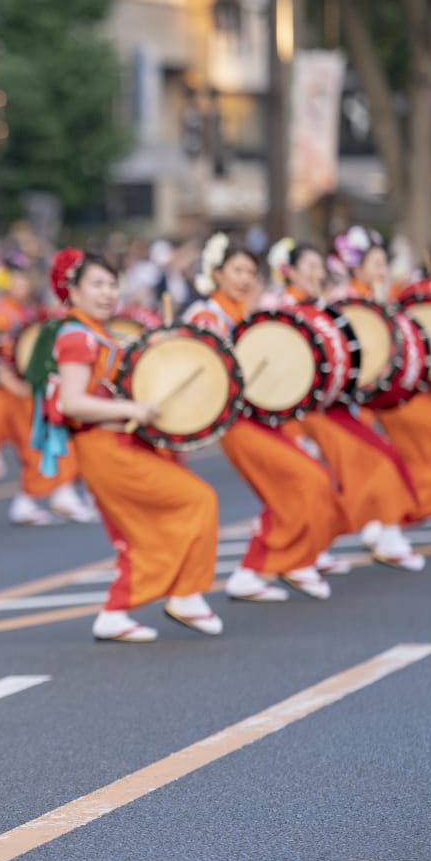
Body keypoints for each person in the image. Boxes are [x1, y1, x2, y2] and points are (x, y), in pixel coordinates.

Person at [31, 248, 221, 642]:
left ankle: (138, 604)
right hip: (104, 446)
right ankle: (169, 597)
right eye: (96, 284)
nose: (106, 292)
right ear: (74, 292)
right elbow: (72, 401)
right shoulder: (77, 336)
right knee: (195, 500)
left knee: (154, 525)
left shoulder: (96, 333)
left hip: (118, 442)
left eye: (111, 284)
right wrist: (133, 407)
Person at [183, 239, 347, 602]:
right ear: (216, 274)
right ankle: (271, 564)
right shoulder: (206, 316)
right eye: (236, 271)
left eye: (250, 272)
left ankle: (276, 564)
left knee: (306, 483)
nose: (245, 278)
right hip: (236, 423)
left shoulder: (247, 312)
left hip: (259, 418)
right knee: (301, 481)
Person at [286, 246, 426, 571]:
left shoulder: (327, 304)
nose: (317, 273)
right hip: (306, 410)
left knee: (371, 461)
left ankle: (377, 531)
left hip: (332, 403)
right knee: (348, 470)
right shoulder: (283, 309)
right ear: (290, 272)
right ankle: (372, 534)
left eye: (320, 266)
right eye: (309, 266)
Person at [340, 230, 431, 548]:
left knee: (420, 454)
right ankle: (427, 510)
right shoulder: (350, 303)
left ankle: (394, 520)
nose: (381, 270)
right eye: (374, 263)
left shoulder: (380, 297)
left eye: (383, 263)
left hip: (397, 392)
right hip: (379, 398)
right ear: (356, 267)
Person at [0, 264, 93, 527]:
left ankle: (47, 495)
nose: (23, 285)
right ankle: (38, 497)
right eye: (18, 280)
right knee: (40, 444)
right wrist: (14, 385)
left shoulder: (21, 310)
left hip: (28, 390)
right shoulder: (2, 314)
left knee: (50, 440)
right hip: (14, 395)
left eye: (25, 280)